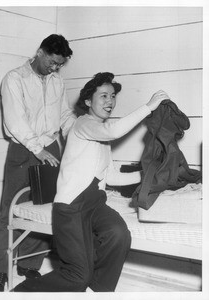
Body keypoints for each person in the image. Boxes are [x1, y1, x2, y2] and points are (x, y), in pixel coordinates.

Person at [13, 72, 170, 292]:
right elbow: (114, 131)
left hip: (95, 205)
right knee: (78, 277)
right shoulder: (83, 124)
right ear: (88, 101)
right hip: (71, 208)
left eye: (113, 96)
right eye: (103, 96)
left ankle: (99, 291)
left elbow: (112, 177)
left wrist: (147, 177)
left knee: (118, 234)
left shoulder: (102, 139)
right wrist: (148, 107)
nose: (110, 101)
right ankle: (21, 292)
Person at [0, 34, 76, 292]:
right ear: (40, 52)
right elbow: (15, 121)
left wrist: (79, 133)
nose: (55, 68)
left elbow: (63, 116)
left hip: (49, 146)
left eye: (60, 64)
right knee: (10, 211)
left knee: (45, 208)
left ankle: (29, 265)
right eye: (52, 62)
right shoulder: (14, 79)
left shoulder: (57, 81)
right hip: (24, 147)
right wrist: (37, 149)